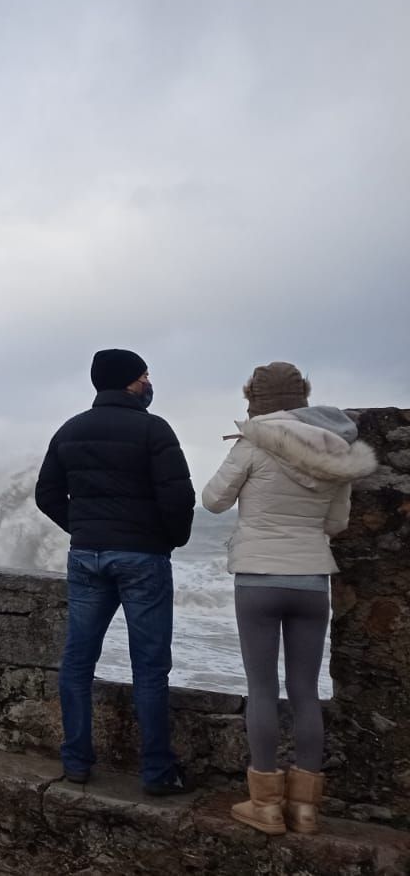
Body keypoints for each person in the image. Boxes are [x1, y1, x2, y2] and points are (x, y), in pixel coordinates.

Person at [202, 362, 376, 835]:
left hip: (258, 578)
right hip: (311, 579)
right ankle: (305, 808)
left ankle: (265, 806)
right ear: (302, 397)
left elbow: (213, 501)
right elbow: (336, 523)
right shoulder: (334, 448)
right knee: (305, 692)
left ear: (254, 400)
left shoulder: (253, 443)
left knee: (262, 688)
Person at [35, 349, 195, 794]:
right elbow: (178, 498)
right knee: (149, 667)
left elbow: (47, 493)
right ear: (129, 382)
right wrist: (169, 540)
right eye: (145, 375)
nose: (149, 382)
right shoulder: (154, 429)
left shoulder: (70, 429)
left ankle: (77, 762)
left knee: (77, 662)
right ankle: (158, 773)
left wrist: (84, 528)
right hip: (143, 559)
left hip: (87, 556)